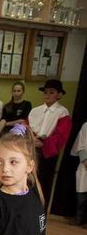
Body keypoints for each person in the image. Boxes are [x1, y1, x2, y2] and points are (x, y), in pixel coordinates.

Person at [28, 79, 72, 208]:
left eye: (51, 92)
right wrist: (31, 138)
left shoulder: (62, 112)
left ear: (59, 95)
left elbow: (61, 135)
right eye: (46, 92)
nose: (47, 95)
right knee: (29, 180)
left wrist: (44, 144)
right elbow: (26, 126)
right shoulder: (35, 111)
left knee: (44, 183)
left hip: (48, 152)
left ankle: (40, 212)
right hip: (32, 148)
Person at [69, 122, 87, 227]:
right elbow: (81, 144)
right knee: (82, 194)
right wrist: (85, 160)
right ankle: (79, 218)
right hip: (85, 164)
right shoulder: (86, 126)